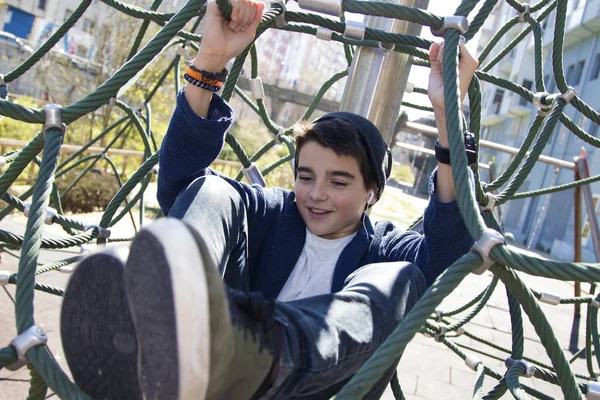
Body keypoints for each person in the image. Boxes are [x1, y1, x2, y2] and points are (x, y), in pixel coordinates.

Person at [59, 1, 479, 399]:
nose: (315, 194)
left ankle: (237, 350)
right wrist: (210, 62)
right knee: (214, 190)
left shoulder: (382, 248)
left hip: (310, 386)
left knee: (402, 280)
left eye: (338, 182)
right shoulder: (273, 213)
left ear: (372, 191)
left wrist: (448, 121)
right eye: (305, 176)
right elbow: (181, 187)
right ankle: (162, 314)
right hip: (199, 373)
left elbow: (446, 259)